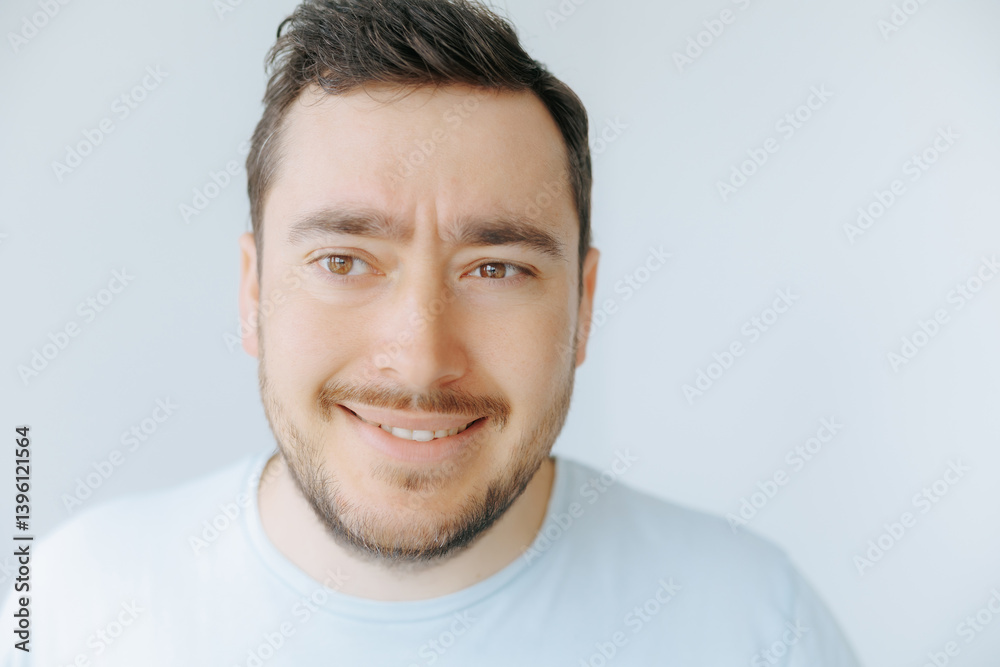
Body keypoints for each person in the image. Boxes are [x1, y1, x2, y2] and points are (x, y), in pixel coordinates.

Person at [2, 1, 862, 664]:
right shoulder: (68, 609)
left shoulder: (757, 626)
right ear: (253, 291)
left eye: (496, 269)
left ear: (584, 305)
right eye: (344, 260)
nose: (419, 359)